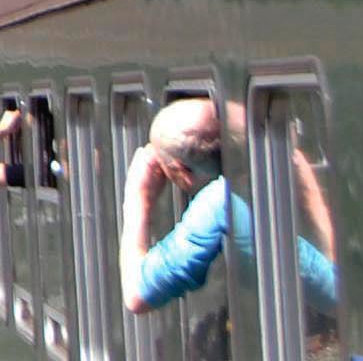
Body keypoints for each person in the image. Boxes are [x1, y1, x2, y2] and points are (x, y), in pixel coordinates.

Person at [122, 96, 337, 314]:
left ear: (183, 172)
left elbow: (135, 295)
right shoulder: (257, 184)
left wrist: (139, 196)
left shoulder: (218, 206)